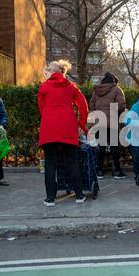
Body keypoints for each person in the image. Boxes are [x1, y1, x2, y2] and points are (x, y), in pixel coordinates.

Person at [38, 60, 88, 206]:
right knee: (72, 162)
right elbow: (83, 106)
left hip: (49, 128)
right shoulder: (71, 87)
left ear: (52, 72)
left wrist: (48, 119)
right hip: (68, 127)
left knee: (50, 164)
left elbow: (41, 108)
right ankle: (79, 195)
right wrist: (81, 124)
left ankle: (50, 198)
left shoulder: (44, 87)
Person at [89, 72, 127, 180]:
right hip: (112, 123)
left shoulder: (96, 91)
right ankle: (117, 172)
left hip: (99, 123)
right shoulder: (117, 89)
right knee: (115, 148)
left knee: (101, 147)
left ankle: (99, 171)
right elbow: (122, 106)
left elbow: (91, 105)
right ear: (114, 81)